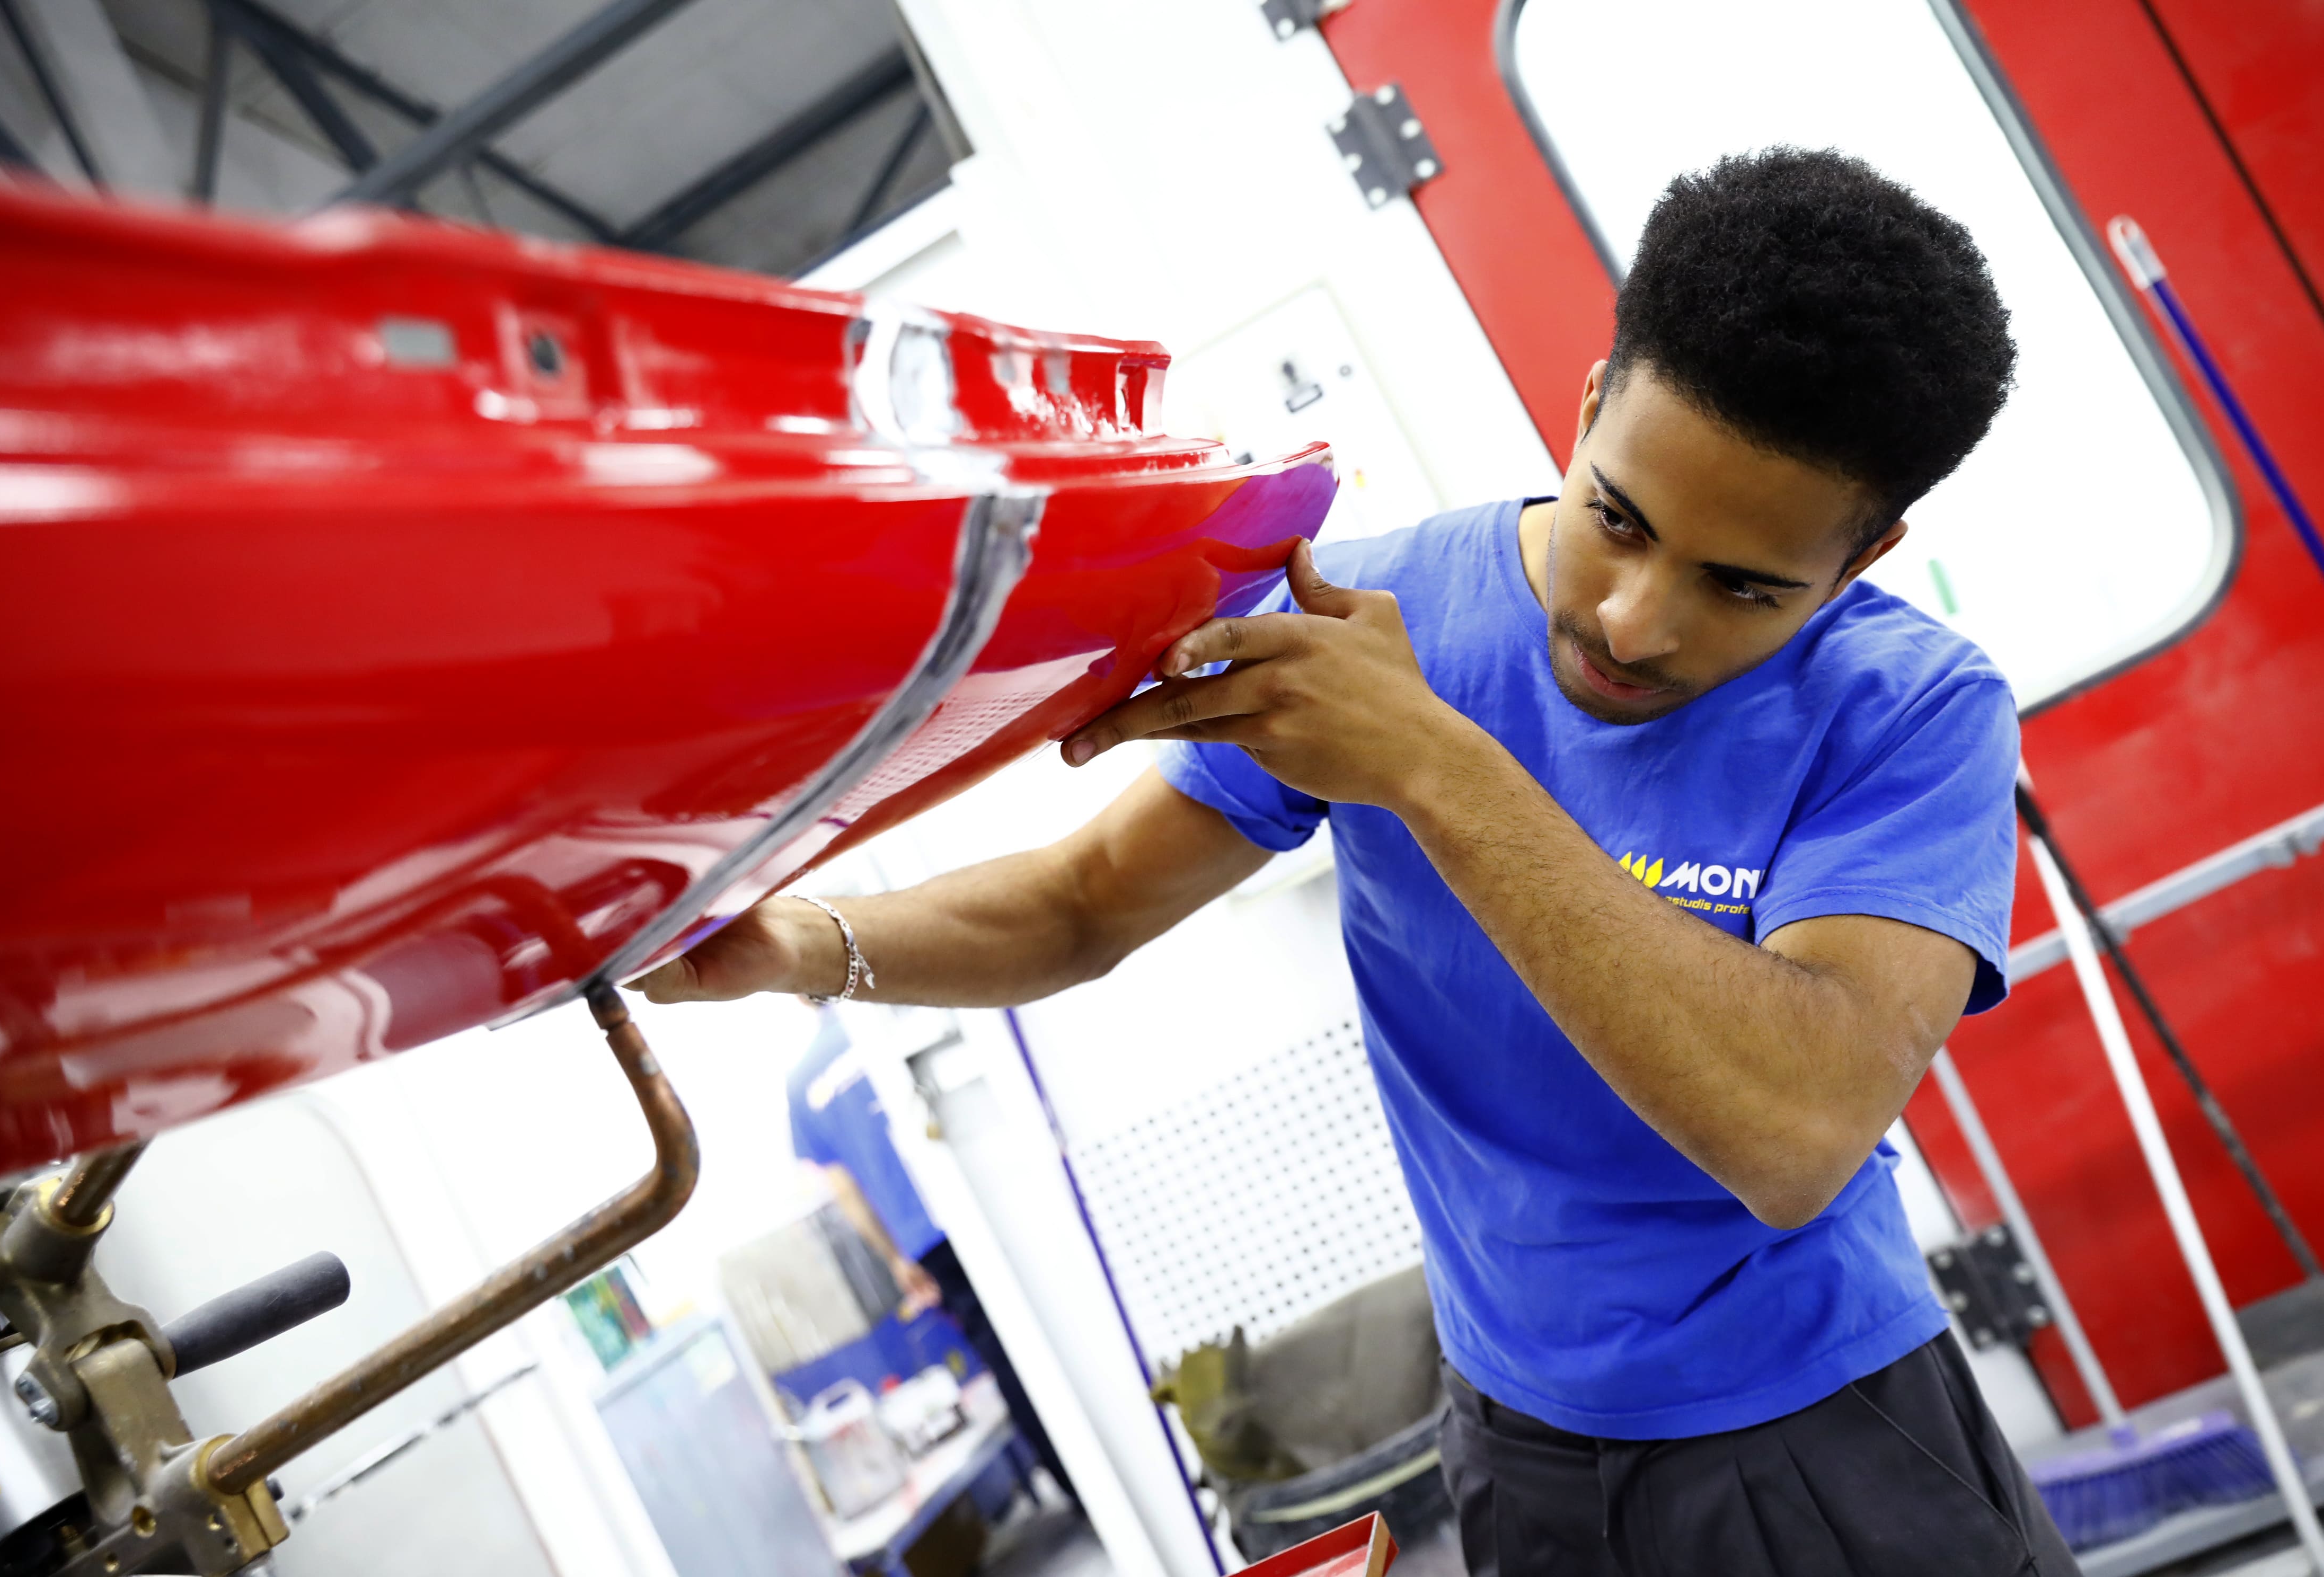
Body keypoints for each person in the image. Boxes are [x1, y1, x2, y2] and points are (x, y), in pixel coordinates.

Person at [647, 148, 2073, 1575]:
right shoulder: (1390, 615)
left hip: (1821, 1435)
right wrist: (802, 942)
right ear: (1587, 411)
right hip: (1519, 1443)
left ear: (1864, 557)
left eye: (1742, 586)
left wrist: (1436, 765)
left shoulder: (1911, 712)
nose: (1635, 620)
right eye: (1618, 520)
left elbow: (1792, 1134)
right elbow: (1082, 905)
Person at [787, 1005, 1081, 1510]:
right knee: (1063, 1320)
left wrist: (895, 1257)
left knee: (1005, 1360)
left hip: (924, 1240)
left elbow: (844, 1188)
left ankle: (1079, 1488)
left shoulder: (802, 1085)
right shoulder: (902, 1012)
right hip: (989, 1199)